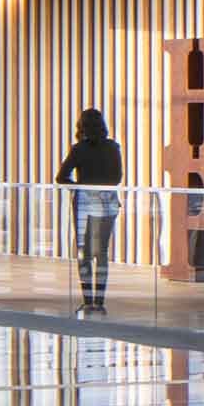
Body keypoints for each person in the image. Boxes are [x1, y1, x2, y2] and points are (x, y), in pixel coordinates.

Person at [54, 107, 123, 314]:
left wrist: (80, 186)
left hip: (84, 203)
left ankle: (88, 300)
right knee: (101, 252)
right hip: (108, 202)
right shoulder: (113, 147)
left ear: (81, 127)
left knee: (84, 253)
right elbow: (117, 178)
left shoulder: (79, 149)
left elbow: (61, 177)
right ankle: (100, 302)